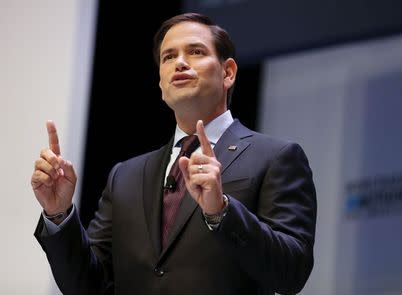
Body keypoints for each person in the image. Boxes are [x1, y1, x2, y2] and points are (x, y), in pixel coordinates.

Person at [32, 12, 317, 295]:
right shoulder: (126, 175)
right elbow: (87, 285)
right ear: (160, 83)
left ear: (228, 72)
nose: (179, 62)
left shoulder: (276, 157)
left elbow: (291, 272)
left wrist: (221, 212)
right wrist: (58, 214)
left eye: (195, 51)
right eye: (168, 57)